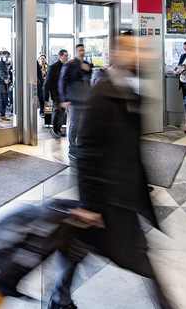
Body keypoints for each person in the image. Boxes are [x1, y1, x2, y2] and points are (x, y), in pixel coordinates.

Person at [48, 33, 174, 309]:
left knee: (81, 246)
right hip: (107, 200)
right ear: (114, 55)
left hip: (122, 196)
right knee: (139, 258)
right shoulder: (100, 95)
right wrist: (89, 204)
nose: (139, 55)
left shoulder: (132, 94)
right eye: (131, 49)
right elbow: (87, 152)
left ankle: (59, 295)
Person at [59, 44, 92, 162]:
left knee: (84, 125)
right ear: (76, 52)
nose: (82, 52)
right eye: (80, 50)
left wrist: (87, 71)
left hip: (86, 100)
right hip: (74, 100)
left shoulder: (87, 64)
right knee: (74, 125)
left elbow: (88, 81)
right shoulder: (70, 64)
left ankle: (82, 148)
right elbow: (62, 81)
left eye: (83, 50)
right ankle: (72, 149)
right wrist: (64, 100)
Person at [44, 49, 69, 139]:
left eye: (67, 55)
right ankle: (55, 130)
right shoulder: (53, 67)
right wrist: (45, 95)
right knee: (57, 110)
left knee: (62, 111)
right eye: (65, 56)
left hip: (64, 92)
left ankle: (58, 128)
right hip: (55, 91)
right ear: (60, 56)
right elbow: (47, 82)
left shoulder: (67, 66)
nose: (67, 57)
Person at [0, 51, 12, 121]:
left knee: (5, 100)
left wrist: (8, 77)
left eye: (8, 57)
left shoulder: (5, 63)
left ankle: (3, 114)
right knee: (1, 99)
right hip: (0, 83)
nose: (7, 58)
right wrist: (5, 78)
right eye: (6, 56)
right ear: (2, 55)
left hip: (5, 83)